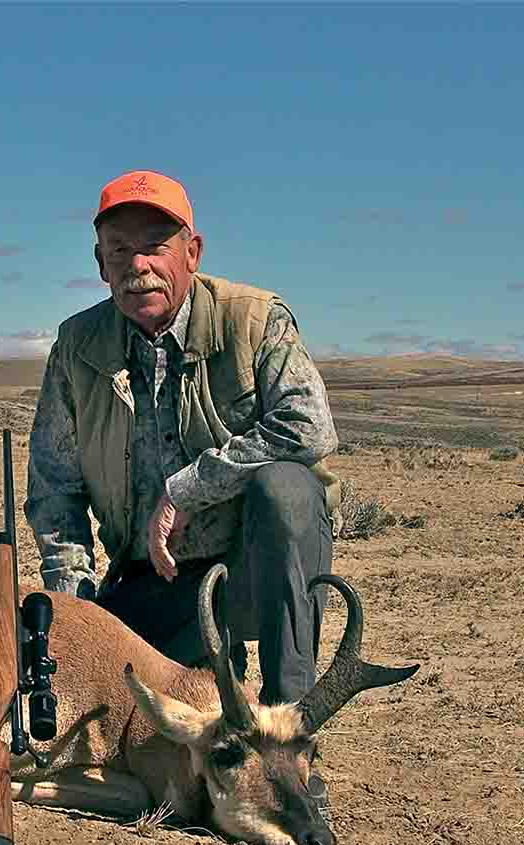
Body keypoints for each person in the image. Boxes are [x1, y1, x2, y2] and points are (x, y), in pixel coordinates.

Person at [25, 169, 341, 709]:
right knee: (124, 713)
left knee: (289, 491)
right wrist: (76, 612)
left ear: (192, 253)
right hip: (156, 580)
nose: (138, 266)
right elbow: (56, 493)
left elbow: (308, 424)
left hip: (252, 573)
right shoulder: (77, 346)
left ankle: (290, 724)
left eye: (155, 246)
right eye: (120, 249)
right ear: (101, 264)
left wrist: (189, 489)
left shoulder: (256, 320)